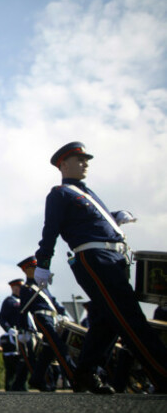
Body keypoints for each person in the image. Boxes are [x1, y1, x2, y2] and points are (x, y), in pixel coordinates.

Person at [35, 141, 167, 393]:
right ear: (63, 164)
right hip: (95, 258)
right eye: (79, 159)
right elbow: (50, 230)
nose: (85, 164)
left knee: (107, 319)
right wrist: (43, 263)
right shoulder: (60, 194)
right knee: (129, 317)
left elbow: (93, 219)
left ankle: (85, 374)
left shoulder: (88, 194)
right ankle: (162, 372)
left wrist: (115, 215)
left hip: (114, 258)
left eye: (86, 160)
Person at [17, 256, 76, 392]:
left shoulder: (42, 286)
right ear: (28, 271)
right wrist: (22, 329)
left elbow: (53, 302)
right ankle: (74, 377)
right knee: (59, 347)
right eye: (34, 268)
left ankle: (37, 378)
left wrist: (64, 314)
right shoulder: (27, 288)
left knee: (48, 351)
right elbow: (23, 310)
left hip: (52, 319)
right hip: (41, 318)